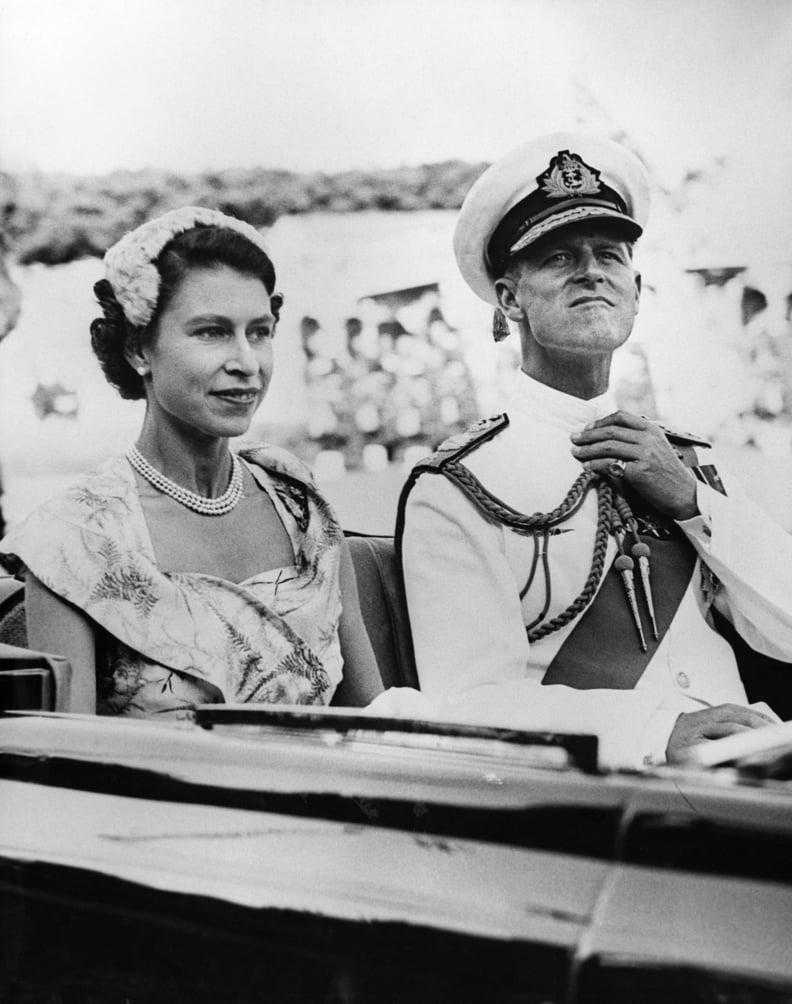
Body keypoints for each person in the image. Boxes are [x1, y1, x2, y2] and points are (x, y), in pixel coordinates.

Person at [397, 133, 792, 769]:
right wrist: (657, 731)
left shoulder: (688, 461)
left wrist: (694, 503)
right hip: (605, 805)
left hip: (755, 784)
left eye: (608, 253)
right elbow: (470, 702)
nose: (591, 270)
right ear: (508, 298)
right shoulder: (459, 484)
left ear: (635, 287)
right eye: (558, 257)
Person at [0, 206, 382, 716]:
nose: (246, 362)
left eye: (260, 332)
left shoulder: (297, 500)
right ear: (139, 349)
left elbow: (375, 715)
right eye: (211, 332)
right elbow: (71, 763)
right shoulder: (74, 539)